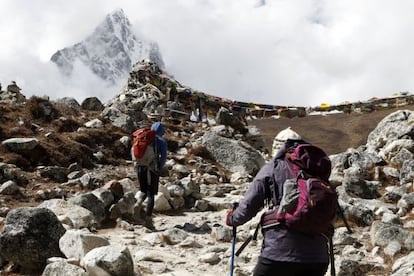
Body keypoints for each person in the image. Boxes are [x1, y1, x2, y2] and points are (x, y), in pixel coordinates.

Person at [226, 133, 330, 276]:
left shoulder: (273, 167)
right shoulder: (318, 170)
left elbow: (249, 204)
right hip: (318, 258)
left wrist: (232, 218)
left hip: (279, 253)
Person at [136, 122, 167, 229]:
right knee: (151, 195)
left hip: (140, 167)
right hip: (152, 169)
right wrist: (159, 167)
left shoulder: (143, 138)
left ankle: (137, 205)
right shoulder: (161, 141)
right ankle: (148, 221)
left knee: (143, 190)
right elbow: (163, 158)